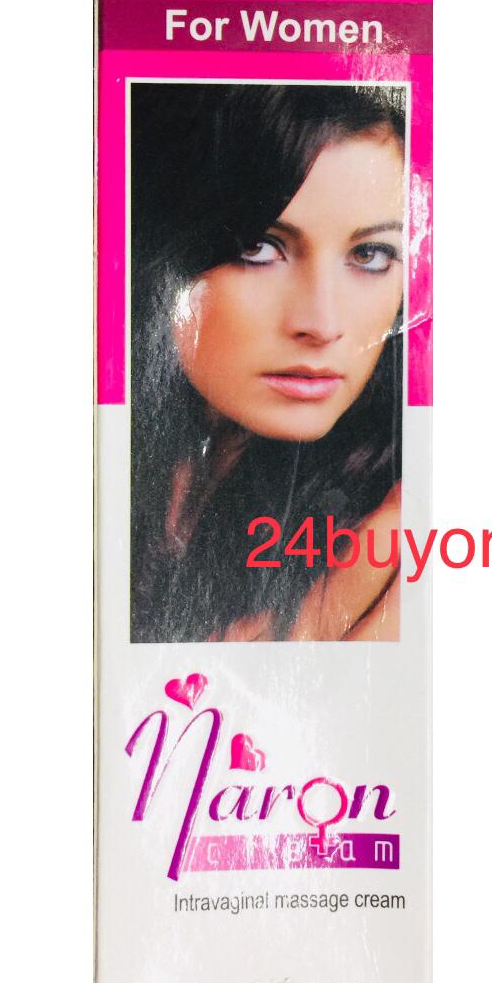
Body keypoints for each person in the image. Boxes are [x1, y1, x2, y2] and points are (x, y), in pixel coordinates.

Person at [130, 82, 406, 642]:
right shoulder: (121, 463)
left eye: (370, 254)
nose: (322, 324)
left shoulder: (397, 530)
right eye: (257, 247)